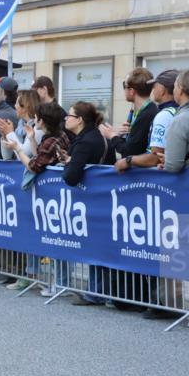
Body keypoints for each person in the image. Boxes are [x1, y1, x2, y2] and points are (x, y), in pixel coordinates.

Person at [6, 102, 70, 295]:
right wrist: (32, 139)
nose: (35, 120)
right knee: (50, 237)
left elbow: (33, 166)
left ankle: (61, 283)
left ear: (43, 120)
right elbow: (40, 157)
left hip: (54, 196)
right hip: (50, 196)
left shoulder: (53, 140)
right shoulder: (54, 137)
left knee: (58, 239)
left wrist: (18, 148)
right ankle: (56, 281)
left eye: (38, 117)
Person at [61, 101, 116, 306]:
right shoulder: (97, 137)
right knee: (100, 246)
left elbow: (72, 177)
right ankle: (100, 291)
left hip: (93, 200)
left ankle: (96, 292)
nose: (66, 118)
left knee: (96, 246)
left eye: (70, 115)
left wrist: (68, 164)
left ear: (80, 120)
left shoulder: (85, 142)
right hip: (103, 197)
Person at [115, 69, 178, 173]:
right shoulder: (172, 110)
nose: (152, 88)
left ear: (162, 90)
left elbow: (154, 157)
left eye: (155, 85)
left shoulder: (163, 115)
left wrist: (128, 160)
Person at [159, 69, 189, 174]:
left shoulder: (179, 121)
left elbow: (173, 167)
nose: (173, 90)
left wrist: (168, 162)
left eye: (175, 87)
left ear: (180, 89)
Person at [101, 67, 157, 159]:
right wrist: (121, 135)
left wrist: (112, 136)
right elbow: (134, 146)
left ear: (131, 91)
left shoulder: (147, 114)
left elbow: (129, 152)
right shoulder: (146, 110)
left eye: (124, 85)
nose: (124, 90)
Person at [0, 90, 43, 161]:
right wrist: (5, 136)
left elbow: (23, 155)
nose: (14, 106)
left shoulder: (37, 128)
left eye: (16, 103)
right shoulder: (21, 126)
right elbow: (7, 157)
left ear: (25, 107)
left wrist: (10, 133)